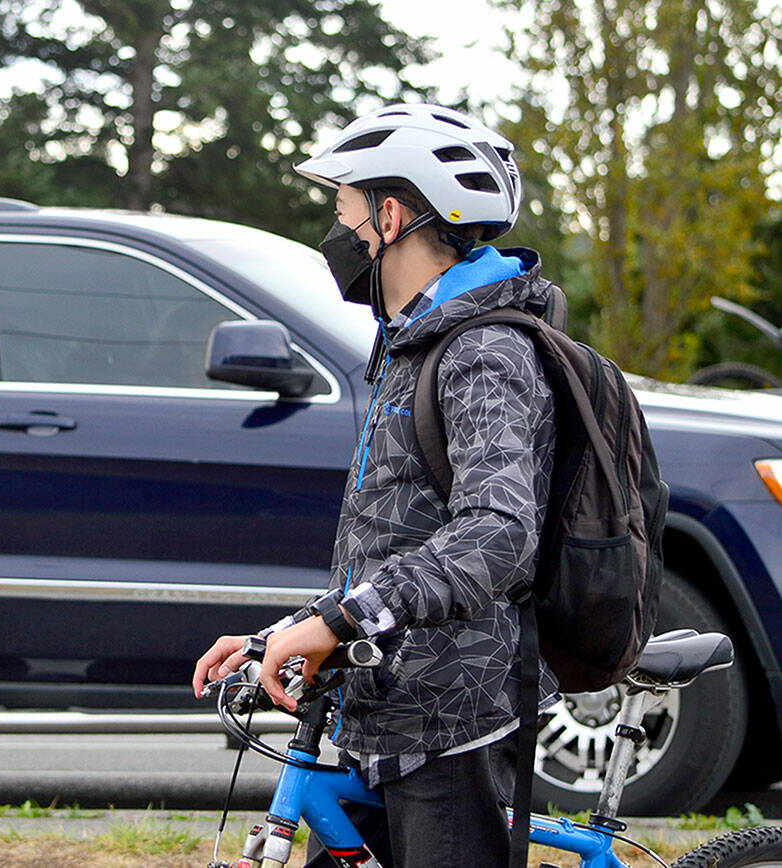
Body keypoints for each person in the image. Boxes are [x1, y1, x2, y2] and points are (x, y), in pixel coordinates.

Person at [192, 104, 560, 867]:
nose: (336, 234)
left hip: (455, 717)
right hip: (390, 709)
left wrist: (337, 622)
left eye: (342, 210)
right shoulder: (410, 347)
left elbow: (498, 532)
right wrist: (295, 630)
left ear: (390, 216)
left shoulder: (481, 350)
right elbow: (400, 536)